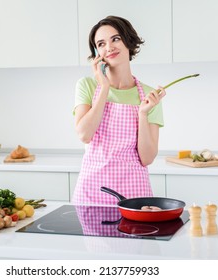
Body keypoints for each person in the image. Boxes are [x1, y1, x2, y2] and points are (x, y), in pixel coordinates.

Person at [72, 15, 166, 205]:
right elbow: (84, 134)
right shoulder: (88, 86)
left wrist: (143, 112)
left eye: (115, 39)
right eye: (101, 43)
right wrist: (104, 87)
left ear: (128, 41)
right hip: (92, 191)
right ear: (97, 53)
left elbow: (147, 158)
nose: (109, 47)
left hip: (134, 193)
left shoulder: (149, 95)